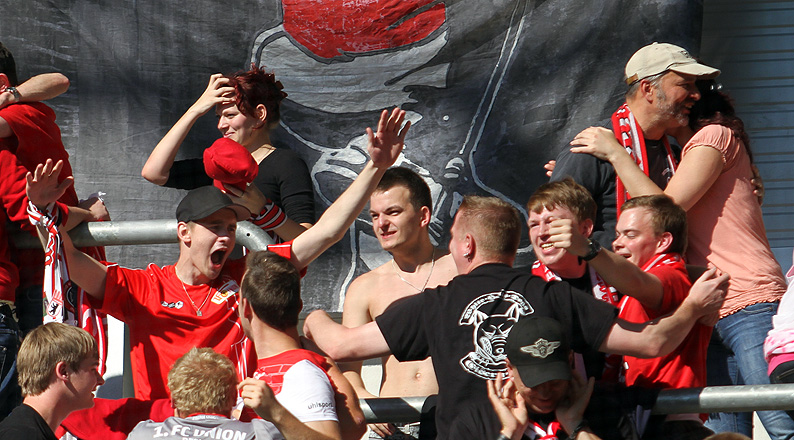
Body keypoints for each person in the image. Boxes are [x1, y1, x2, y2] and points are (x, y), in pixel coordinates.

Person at [26, 108, 410, 400]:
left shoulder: (248, 278)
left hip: (234, 430)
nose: (226, 236)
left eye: (231, 227)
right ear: (184, 233)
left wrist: (375, 168)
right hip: (163, 430)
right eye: (214, 226)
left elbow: (325, 234)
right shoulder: (144, 285)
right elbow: (65, 258)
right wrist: (42, 212)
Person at [303, 195, 729, 440]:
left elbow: (341, 345)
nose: (451, 247)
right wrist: (692, 306)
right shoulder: (555, 295)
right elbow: (652, 342)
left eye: (452, 239)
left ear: (467, 245)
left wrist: (312, 314)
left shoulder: (436, 303)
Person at [569, 79, 792, 439]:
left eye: (691, 93)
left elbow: (666, 209)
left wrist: (615, 153)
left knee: (782, 421)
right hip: (706, 309)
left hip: (747, 300)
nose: (687, 99)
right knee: (718, 432)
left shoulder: (713, 137)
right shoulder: (678, 157)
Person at [0, 41, 109, 419]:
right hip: (39, 278)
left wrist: (80, 213)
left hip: (51, 280)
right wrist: (86, 212)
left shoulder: (24, 113)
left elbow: (32, 211)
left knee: (54, 400)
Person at [549, 194, 713, 439]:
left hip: (669, 421)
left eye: (631, 235)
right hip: (646, 414)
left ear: (663, 241)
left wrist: (587, 248)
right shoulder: (672, 273)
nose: (617, 243)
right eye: (617, 234)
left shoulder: (670, 275)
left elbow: (639, 283)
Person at [550, 42, 719, 249]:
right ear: (648, 89)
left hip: (662, 268)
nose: (696, 95)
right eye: (686, 85)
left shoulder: (674, 154)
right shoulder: (590, 149)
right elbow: (555, 226)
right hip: (604, 270)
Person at [341, 166, 455, 439]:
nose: (381, 224)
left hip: (454, 421)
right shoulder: (364, 287)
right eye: (374, 215)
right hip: (394, 425)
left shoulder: (460, 269)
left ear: (423, 216)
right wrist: (366, 398)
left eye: (392, 212)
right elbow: (346, 368)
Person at [142, 66, 315, 232]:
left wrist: (264, 210)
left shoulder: (286, 163)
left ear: (259, 114)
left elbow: (307, 239)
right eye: (219, 117)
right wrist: (194, 111)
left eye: (230, 115)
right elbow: (154, 173)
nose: (221, 125)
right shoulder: (217, 167)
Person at [449, 316, 661, 440]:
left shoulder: (603, 409)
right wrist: (509, 434)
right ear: (510, 369)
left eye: (555, 382)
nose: (545, 393)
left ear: (570, 362)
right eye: (534, 383)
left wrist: (577, 427)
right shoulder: (476, 420)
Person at [238, 250, 366, 440]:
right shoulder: (300, 366)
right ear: (299, 306)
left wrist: (277, 414)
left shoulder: (300, 372)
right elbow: (355, 423)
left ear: (246, 307)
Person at [0, 322, 104, 440]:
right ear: (64, 371)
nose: (101, 380)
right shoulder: (21, 435)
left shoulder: (24, 431)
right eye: (93, 369)